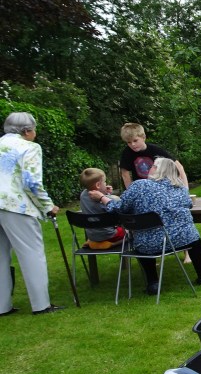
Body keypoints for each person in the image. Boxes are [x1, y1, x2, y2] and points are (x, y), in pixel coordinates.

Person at [92, 157, 201, 294]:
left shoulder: (140, 185)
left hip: (150, 244)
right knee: (194, 238)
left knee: (143, 240)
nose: (149, 168)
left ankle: (153, 283)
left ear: (159, 170)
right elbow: (188, 204)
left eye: (152, 166)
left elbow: (120, 208)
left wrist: (102, 198)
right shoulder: (181, 188)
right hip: (183, 240)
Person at [0, 112, 63, 315]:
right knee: (31, 254)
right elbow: (32, 183)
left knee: (0, 257)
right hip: (15, 205)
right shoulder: (29, 147)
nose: (35, 134)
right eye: (34, 130)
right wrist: (48, 206)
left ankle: (2, 306)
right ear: (27, 131)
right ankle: (41, 305)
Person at [118, 122, 188, 189]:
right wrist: (131, 192)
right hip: (142, 188)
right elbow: (125, 174)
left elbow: (179, 167)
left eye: (135, 140)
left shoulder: (155, 150)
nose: (132, 144)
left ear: (143, 137)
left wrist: (185, 189)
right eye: (129, 142)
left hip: (159, 186)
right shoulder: (127, 152)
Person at [78, 168, 125, 247]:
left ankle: (93, 242)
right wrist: (108, 196)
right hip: (109, 235)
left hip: (92, 235)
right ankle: (111, 244)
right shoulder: (102, 200)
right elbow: (117, 207)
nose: (105, 183)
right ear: (98, 185)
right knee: (131, 232)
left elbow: (97, 194)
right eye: (104, 182)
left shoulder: (83, 195)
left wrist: (104, 192)